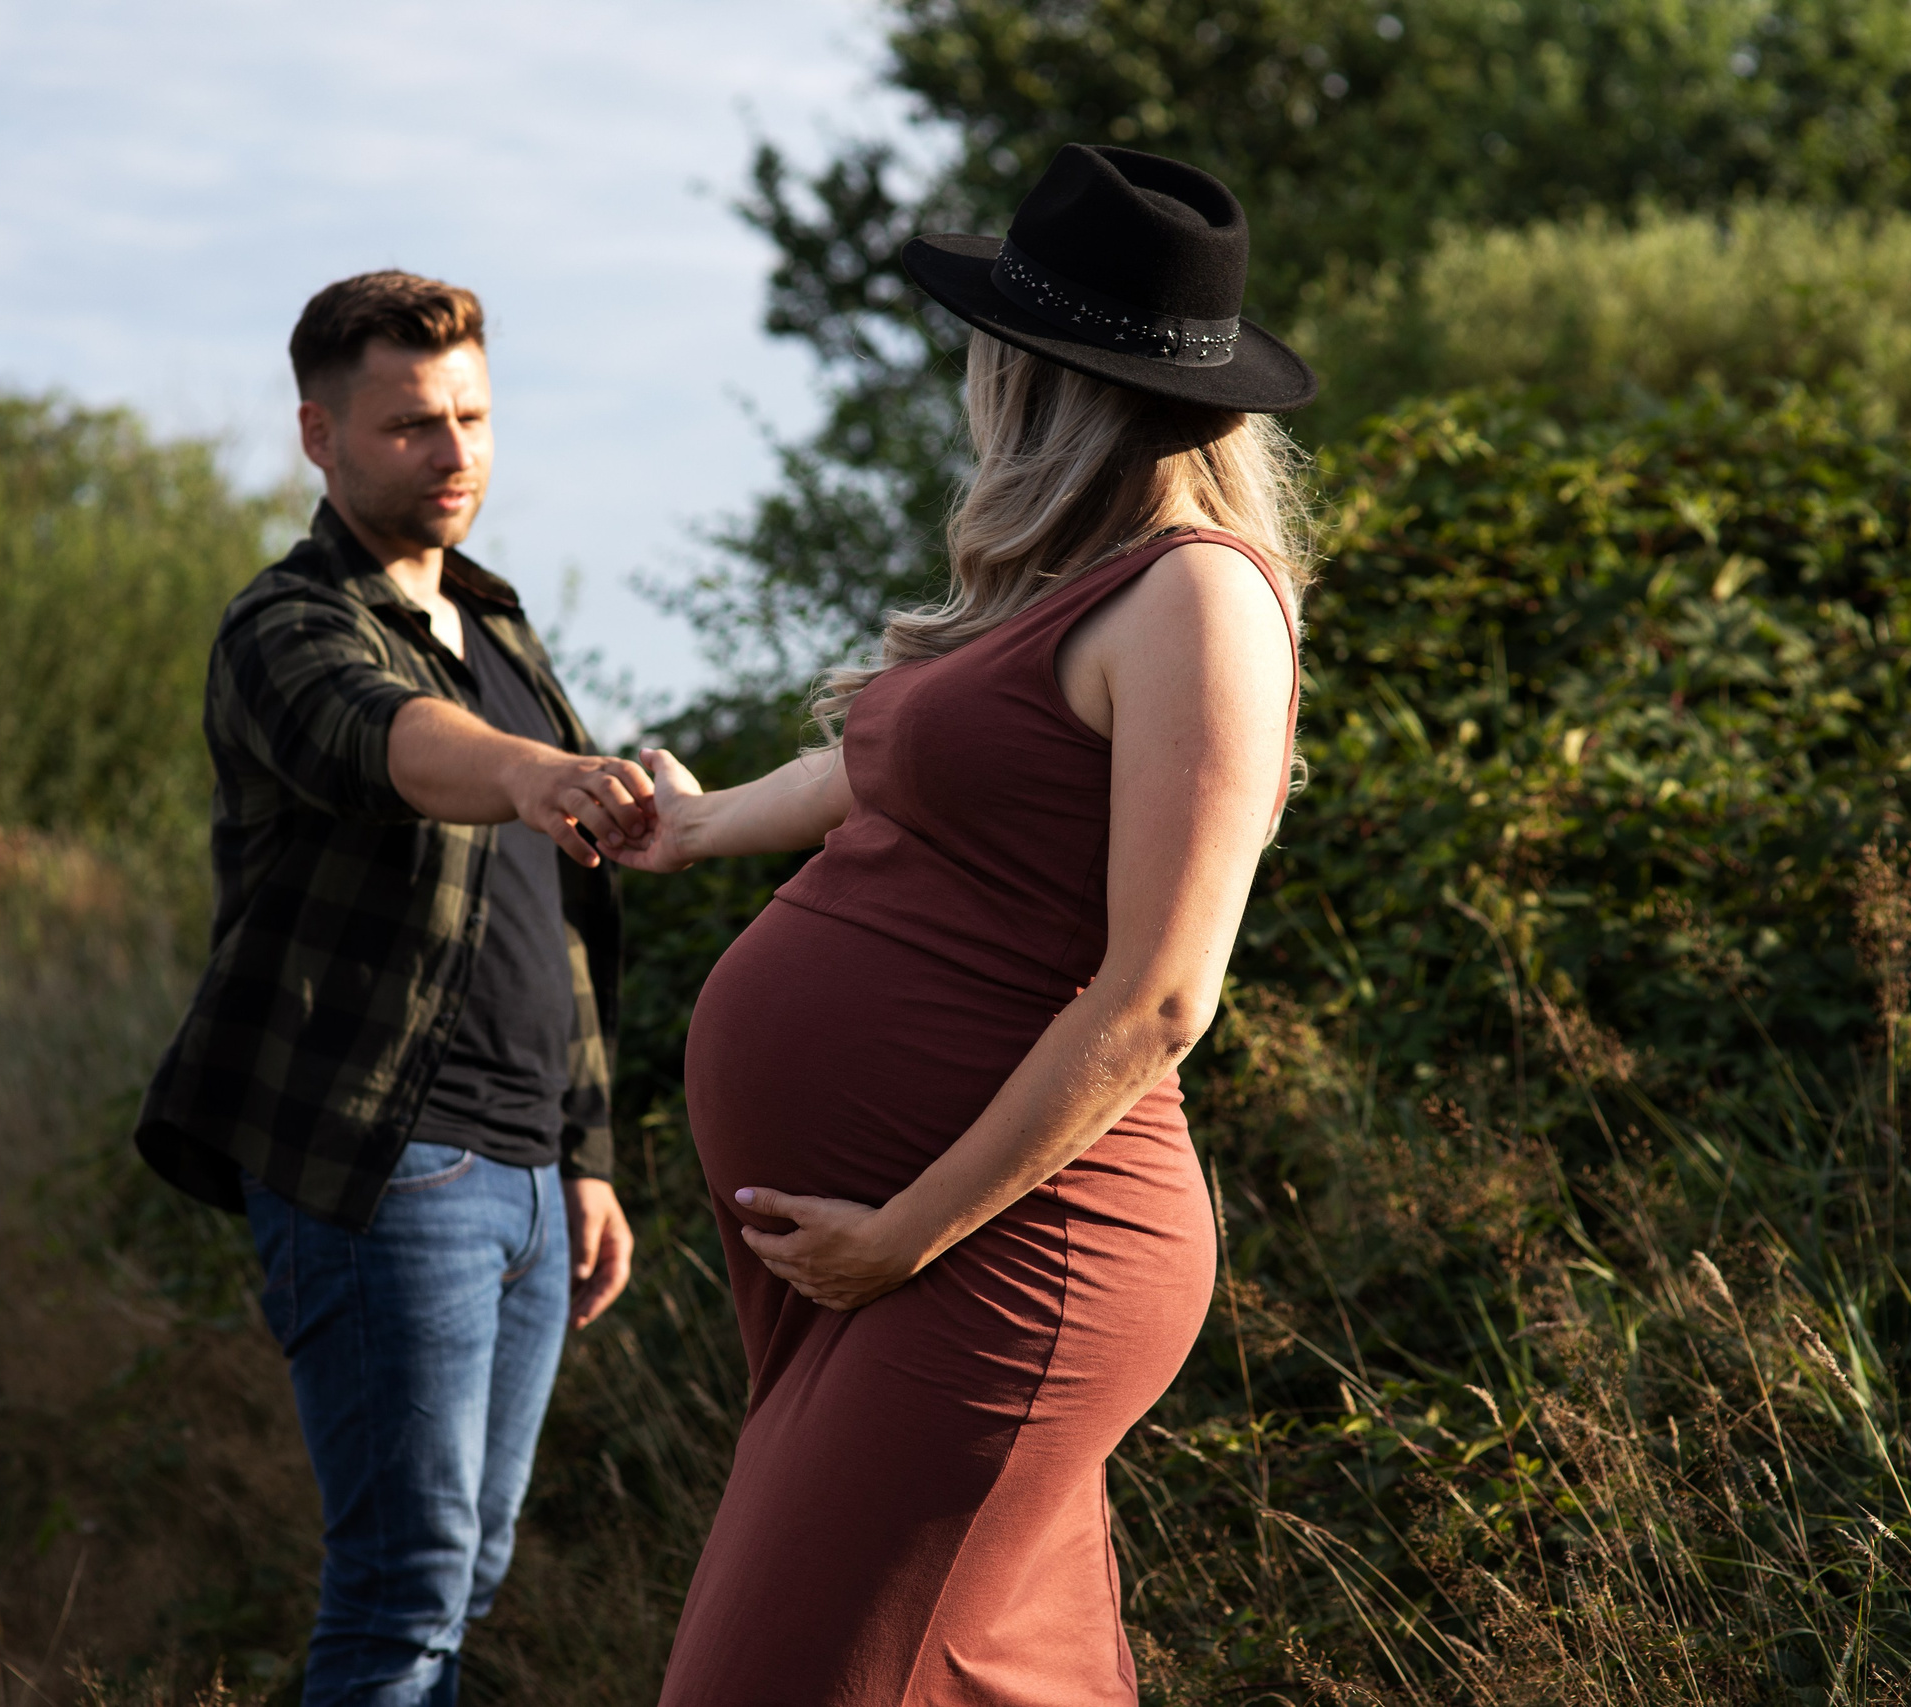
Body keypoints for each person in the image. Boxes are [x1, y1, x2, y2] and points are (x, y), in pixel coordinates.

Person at [609, 145, 1318, 1704]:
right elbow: (881, 762)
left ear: (1035, 373)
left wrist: (906, 1231)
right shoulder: (1061, 590)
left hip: (1011, 1246)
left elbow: (1158, 998)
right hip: (892, 1250)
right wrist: (703, 822)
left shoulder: (1199, 600)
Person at [134, 270, 648, 1707]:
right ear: (321, 435)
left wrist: (588, 1159)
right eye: (413, 424)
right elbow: (386, 743)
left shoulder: (498, 625)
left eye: (473, 417)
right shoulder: (285, 625)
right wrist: (542, 774)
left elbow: (559, 918)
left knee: (465, 1572)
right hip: (384, 1165)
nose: (456, 451)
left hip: (529, 1171)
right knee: (406, 1583)